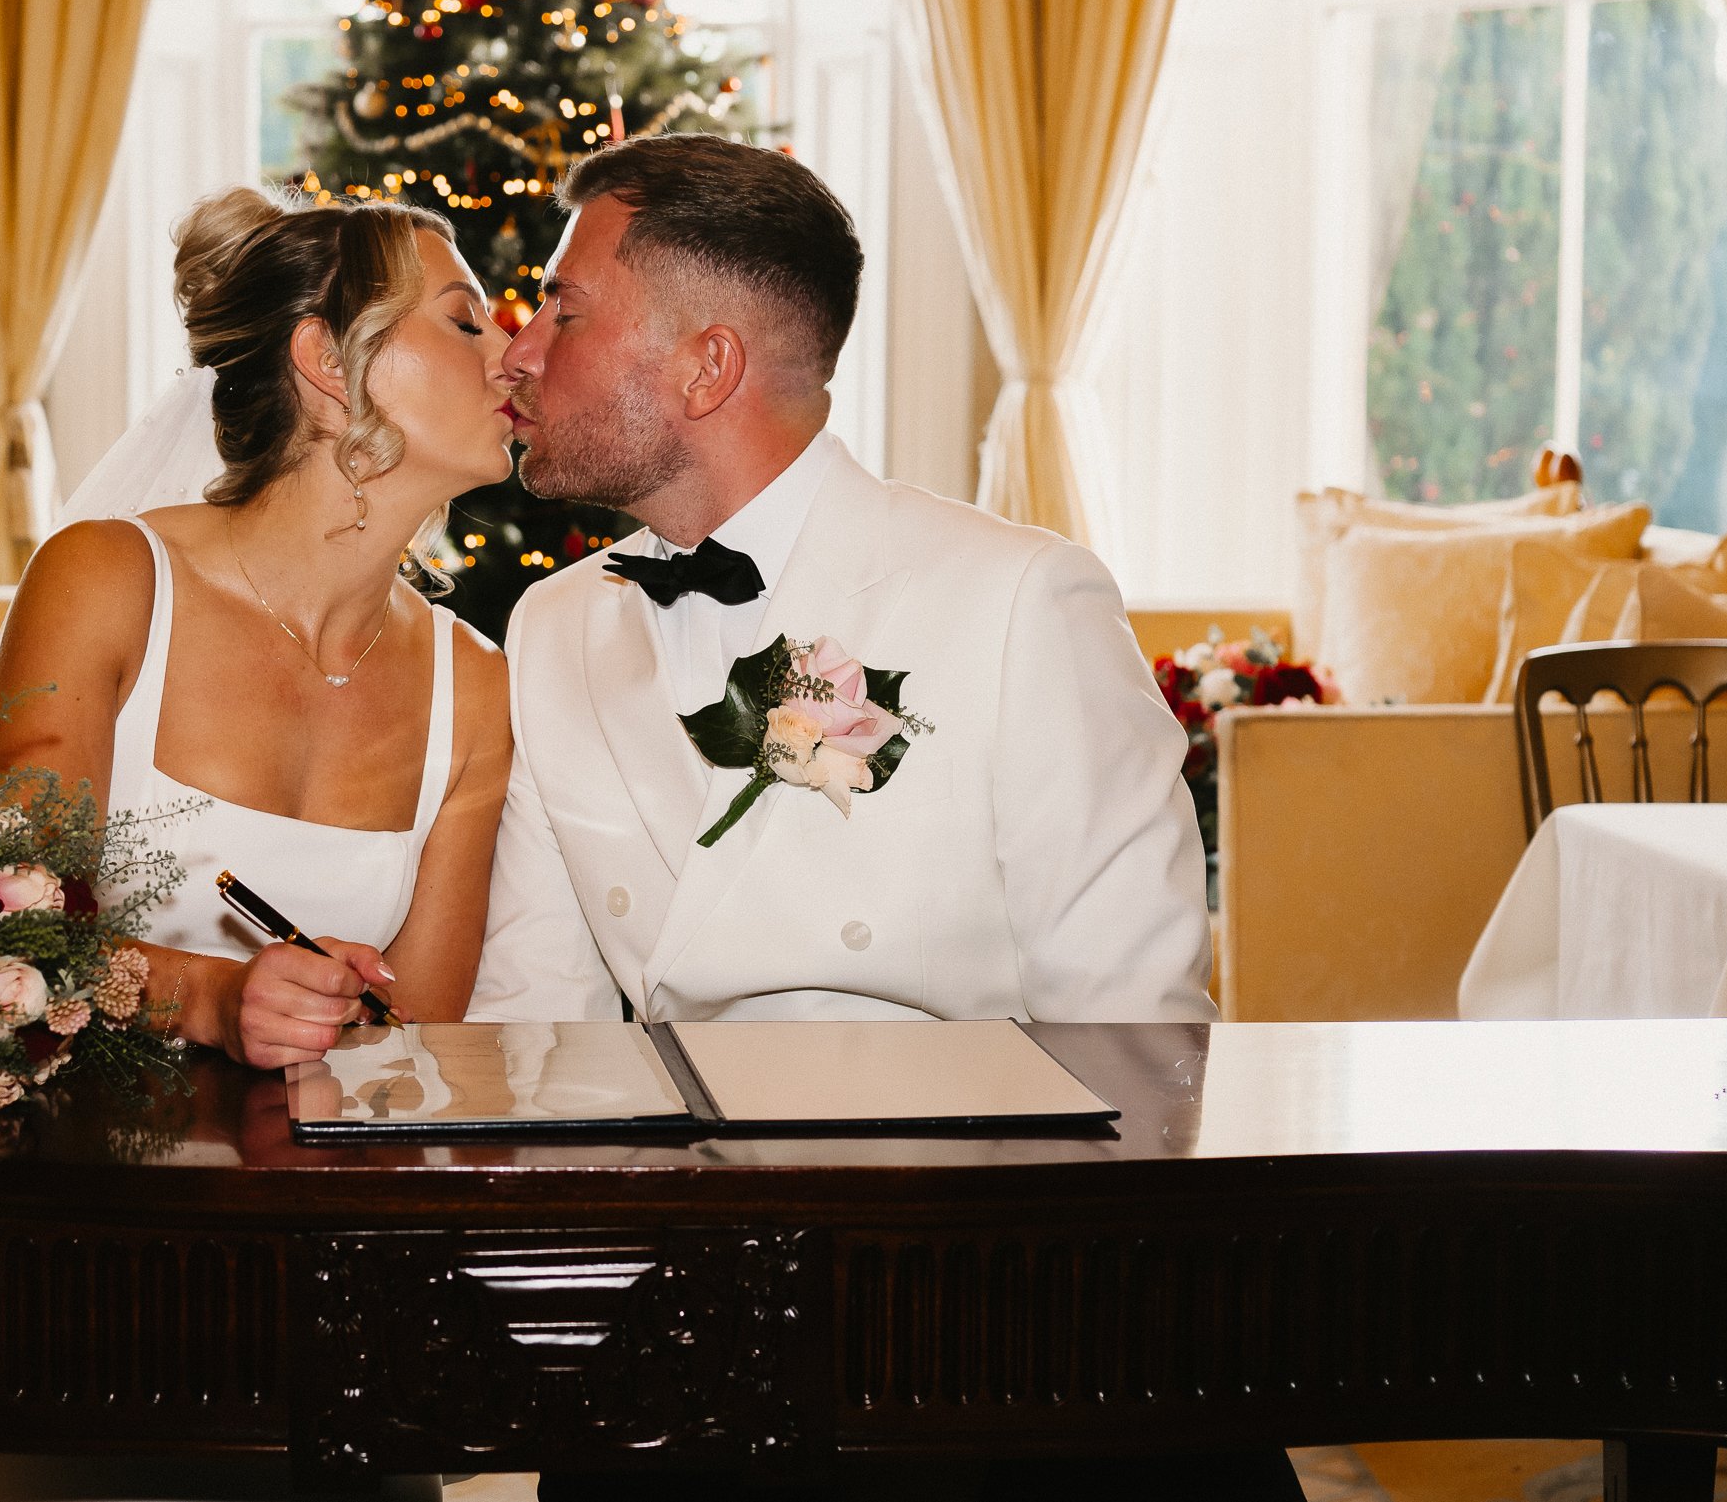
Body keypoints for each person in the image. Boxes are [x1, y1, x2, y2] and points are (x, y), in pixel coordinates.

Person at [467, 135, 1289, 1502]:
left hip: (1000, 1312)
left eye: (562, 310)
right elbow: (529, 1029)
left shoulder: (1015, 599)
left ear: (706, 365)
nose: (517, 353)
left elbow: (1143, 1048)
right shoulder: (554, 627)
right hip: (692, 1320)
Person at [0, 185, 515, 1502]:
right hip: (54, 1265)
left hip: (311, 1301)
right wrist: (220, 992)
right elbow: (4, 924)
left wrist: (350, 1008)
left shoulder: (474, 690)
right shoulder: (106, 581)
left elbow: (419, 1028)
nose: (512, 349)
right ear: (328, 365)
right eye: (464, 317)